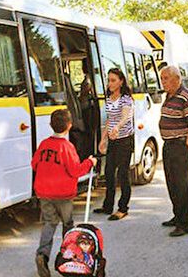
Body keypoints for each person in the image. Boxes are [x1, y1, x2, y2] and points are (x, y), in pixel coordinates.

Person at [32, 109, 97, 277]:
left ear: (50, 125)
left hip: (44, 192)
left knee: (49, 223)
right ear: (70, 126)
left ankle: (42, 255)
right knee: (68, 225)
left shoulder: (44, 144)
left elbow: (34, 164)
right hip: (63, 195)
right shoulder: (67, 147)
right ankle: (67, 256)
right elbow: (76, 171)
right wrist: (90, 162)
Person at [158, 66, 188, 237]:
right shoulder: (170, 96)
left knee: (183, 186)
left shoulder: (186, 97)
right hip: (169, 145)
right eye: (162, 78)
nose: (163, 82)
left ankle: (185, 224)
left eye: (166, 78)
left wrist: (187, 149)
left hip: (180, 146)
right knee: (172, 184)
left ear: (176, 78)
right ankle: (177, 216)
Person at [93, 68, 134, 221]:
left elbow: (125, 117)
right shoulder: (109, 98)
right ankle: (107, 206)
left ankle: (123, 208)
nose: (110, 83)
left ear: (121, 81)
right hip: (112, 140)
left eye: (113, 80)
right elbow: (109, 119)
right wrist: (103, 139)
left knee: (123, 174)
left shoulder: (126, 99)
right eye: (108, 80)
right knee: (109, 172)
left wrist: (118, 127)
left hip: (124, 140)